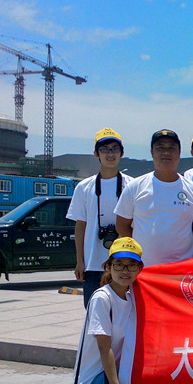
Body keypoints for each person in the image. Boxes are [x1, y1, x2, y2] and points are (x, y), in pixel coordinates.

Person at [73, 237, 143, 384]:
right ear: (108, 267)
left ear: (139, 269)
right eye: (118, 264)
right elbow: (105, 349)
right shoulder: (102, 299)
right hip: (94, 381)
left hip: (118, 373)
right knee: (137, 381)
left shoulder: (132, 295)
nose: (125, 271)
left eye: (131, 265)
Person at [115, 129, 193, 266]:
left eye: (171, 148)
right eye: (160, 148)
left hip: (181, 268)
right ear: (152, 152)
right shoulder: (135, 187)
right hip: (143, 268)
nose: (166, 153)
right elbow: (122, 226)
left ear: (179, 153)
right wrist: (141, 245)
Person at [66, 128, 133, 308]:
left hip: (124, 262)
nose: (110, 154)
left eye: (114, 149)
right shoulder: (84, 187)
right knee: (94, 312)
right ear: (96, 153)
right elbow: (80, 225)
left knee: (125, 312)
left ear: (122, 153)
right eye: (105, 149)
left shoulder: (132, 185)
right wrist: (80, 261)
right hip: (93, 264)